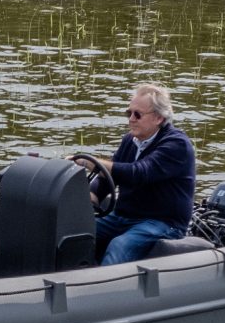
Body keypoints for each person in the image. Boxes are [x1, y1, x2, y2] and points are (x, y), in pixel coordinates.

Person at [75, 83, 196, 266]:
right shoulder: (130, 141)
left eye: (137, 114)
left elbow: (139, 173)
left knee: (120, 245)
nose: (131, 119)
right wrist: (95, 194)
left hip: (162, 222)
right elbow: (112, 177)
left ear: (158, 118)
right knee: (77, 232)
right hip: (124, 215)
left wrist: (88, 162)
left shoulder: (176, 145)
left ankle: (105, 290)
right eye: (128, 113)